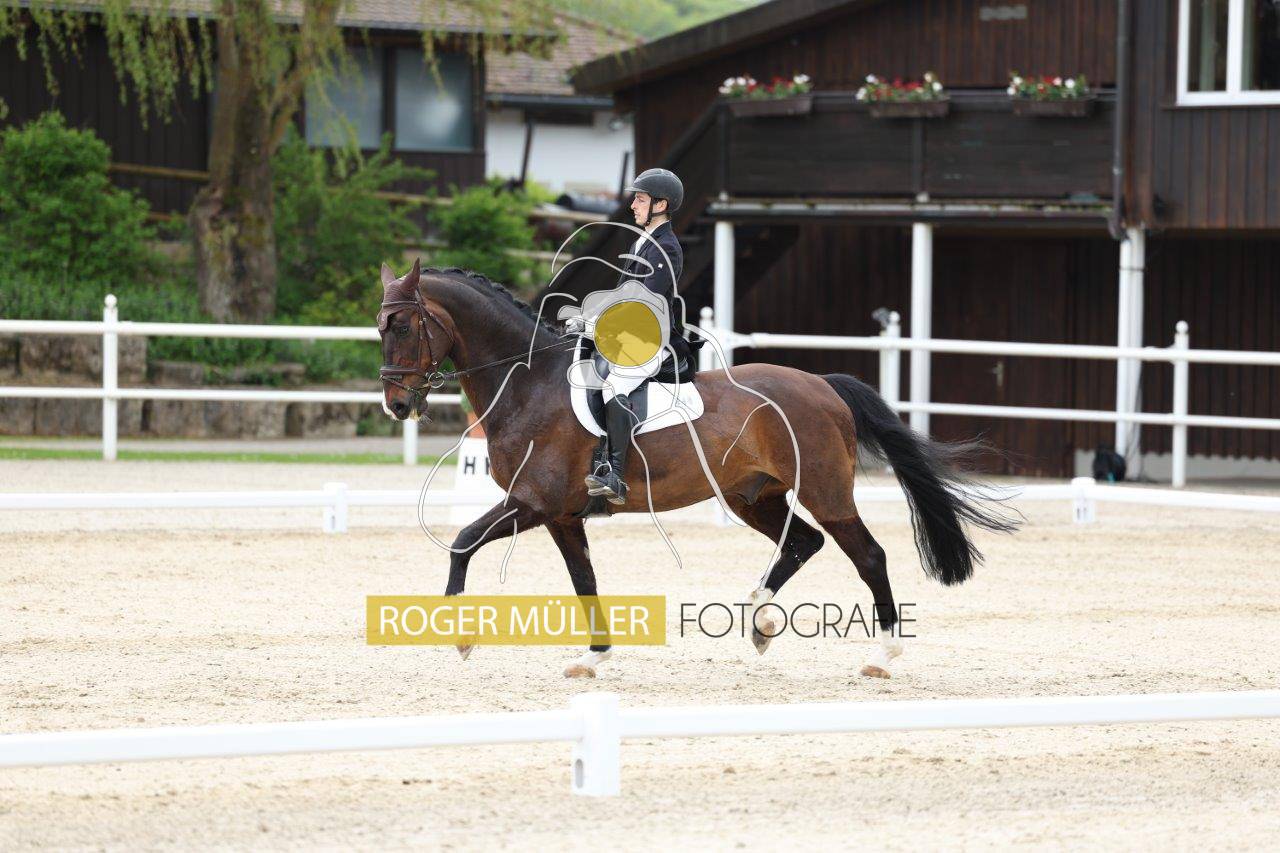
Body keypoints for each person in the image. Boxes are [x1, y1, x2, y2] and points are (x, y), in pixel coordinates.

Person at [582, 168, 686, 505]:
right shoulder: (641, 242)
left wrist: (604, 326)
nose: (633, 206)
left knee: (615, 386)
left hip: (649, 340)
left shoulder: (666, 248)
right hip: (627, 338)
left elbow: (646, 301)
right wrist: (589, 318)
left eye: (640, 199)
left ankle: (614, 473)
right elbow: (622, 293)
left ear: (660, 205)